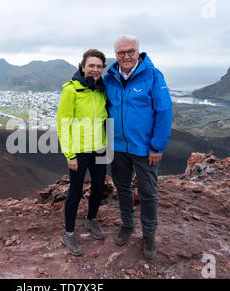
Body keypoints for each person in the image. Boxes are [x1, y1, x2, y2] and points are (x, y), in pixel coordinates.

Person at [103, 35, 173, 260]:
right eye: (121, 52)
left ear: (138, 52)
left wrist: (157, 146)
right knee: (122, 187)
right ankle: (127, 224)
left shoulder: (152, 75)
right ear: (115, 55)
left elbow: (164, 111)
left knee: (148, 192)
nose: (126, 56)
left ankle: (149, 234)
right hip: (119, 146)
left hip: (145, 148)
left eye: (130, 51)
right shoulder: (110, 78)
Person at [56, 49, 108, 256]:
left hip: (100, 148)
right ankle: (68, 233)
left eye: (99, 66)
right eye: (91, 65)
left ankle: (91, 219)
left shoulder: (102, 89)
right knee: (75, 192)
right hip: (79, 150)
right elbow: (63, 124)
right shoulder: (72, 90)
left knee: (98, 186)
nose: (95, 69)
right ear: (83, 66)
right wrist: (70, 155)